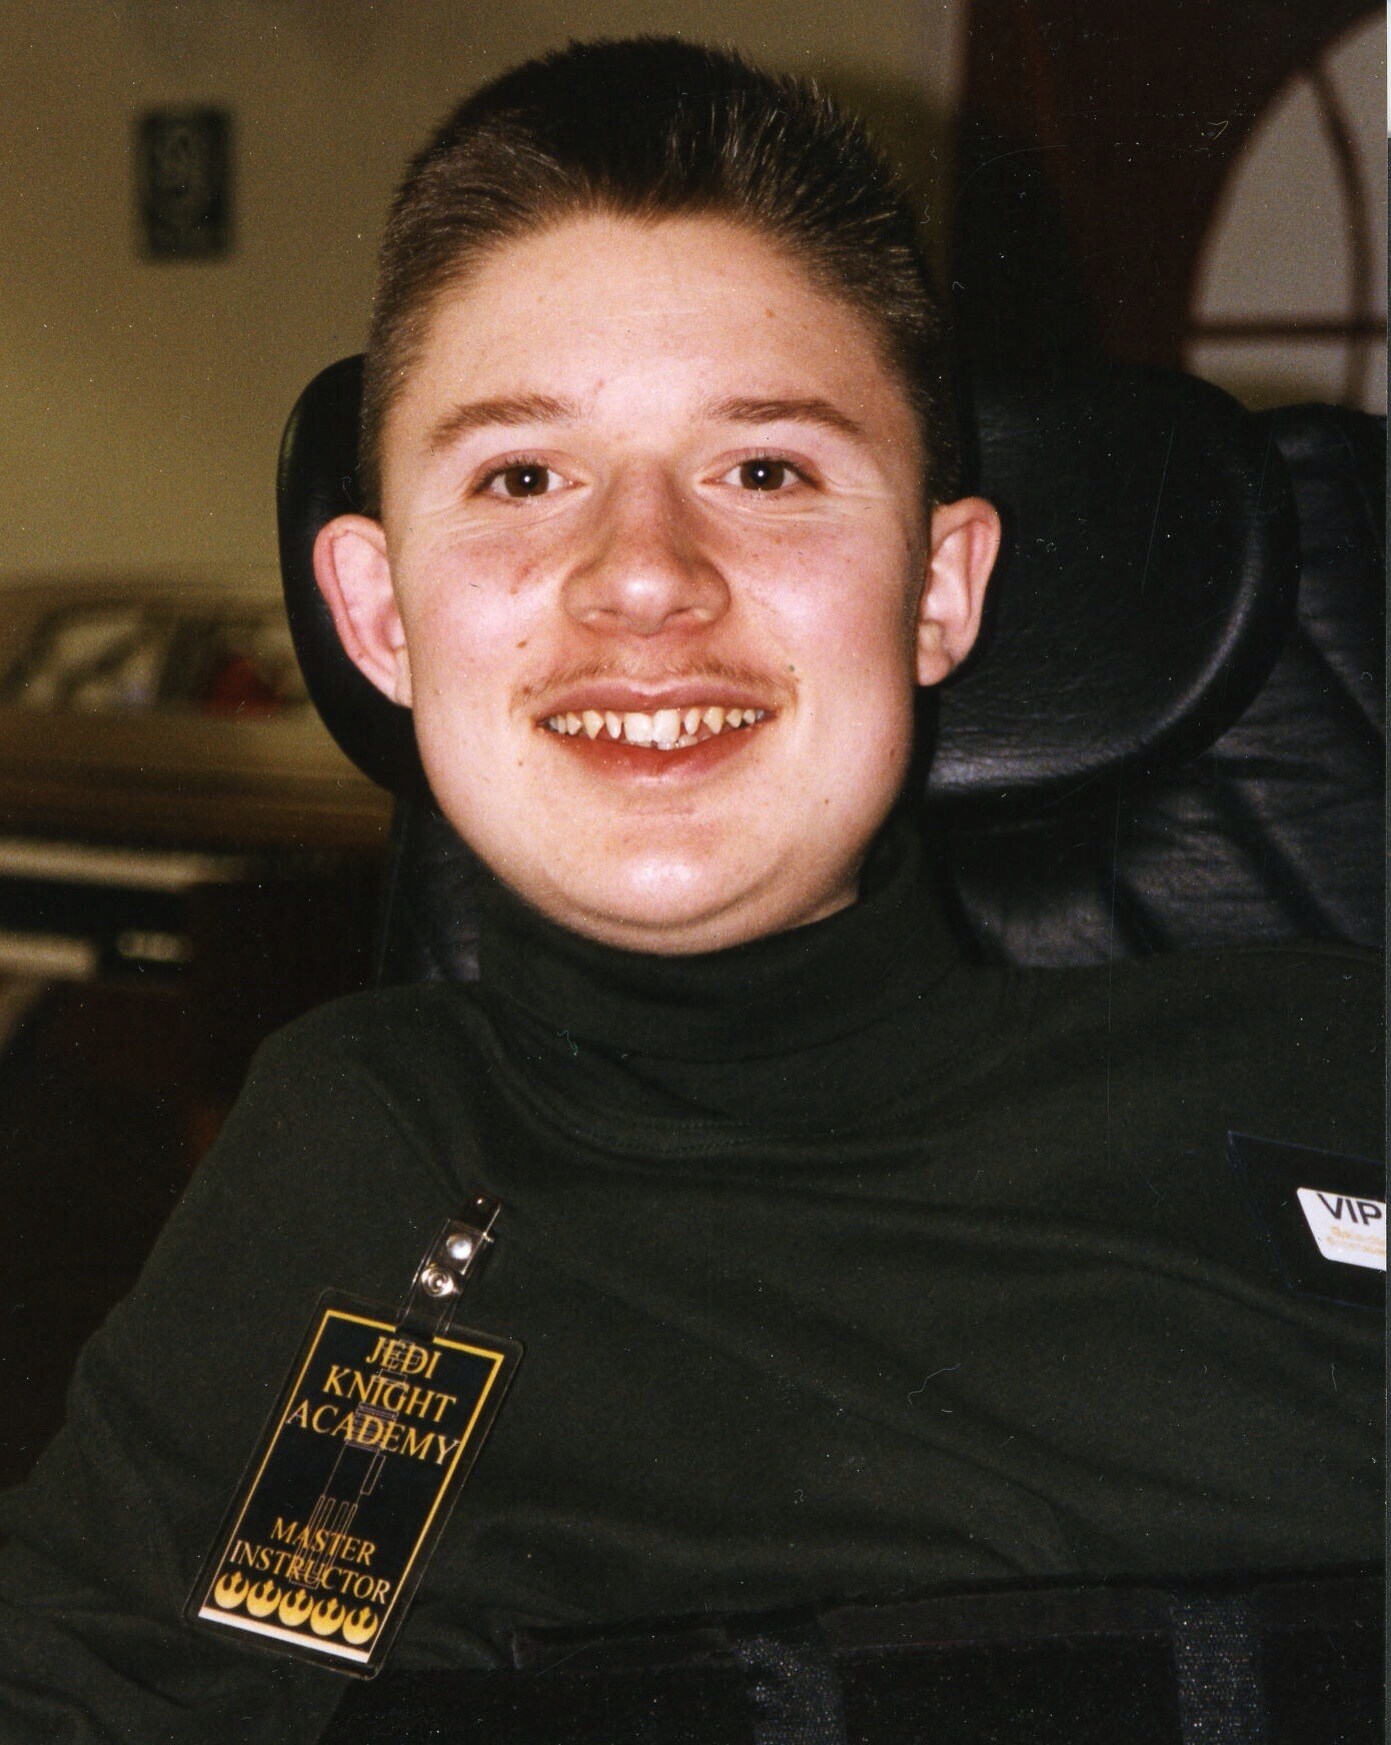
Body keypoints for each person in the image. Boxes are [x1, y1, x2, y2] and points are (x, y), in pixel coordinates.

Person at [0, 37, 1379, 1745]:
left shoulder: (1333, 1066)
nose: (644, 574)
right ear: (376, 615)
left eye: (767, 470)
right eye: (522, 477)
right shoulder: (345, 1166)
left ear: (940, 585)